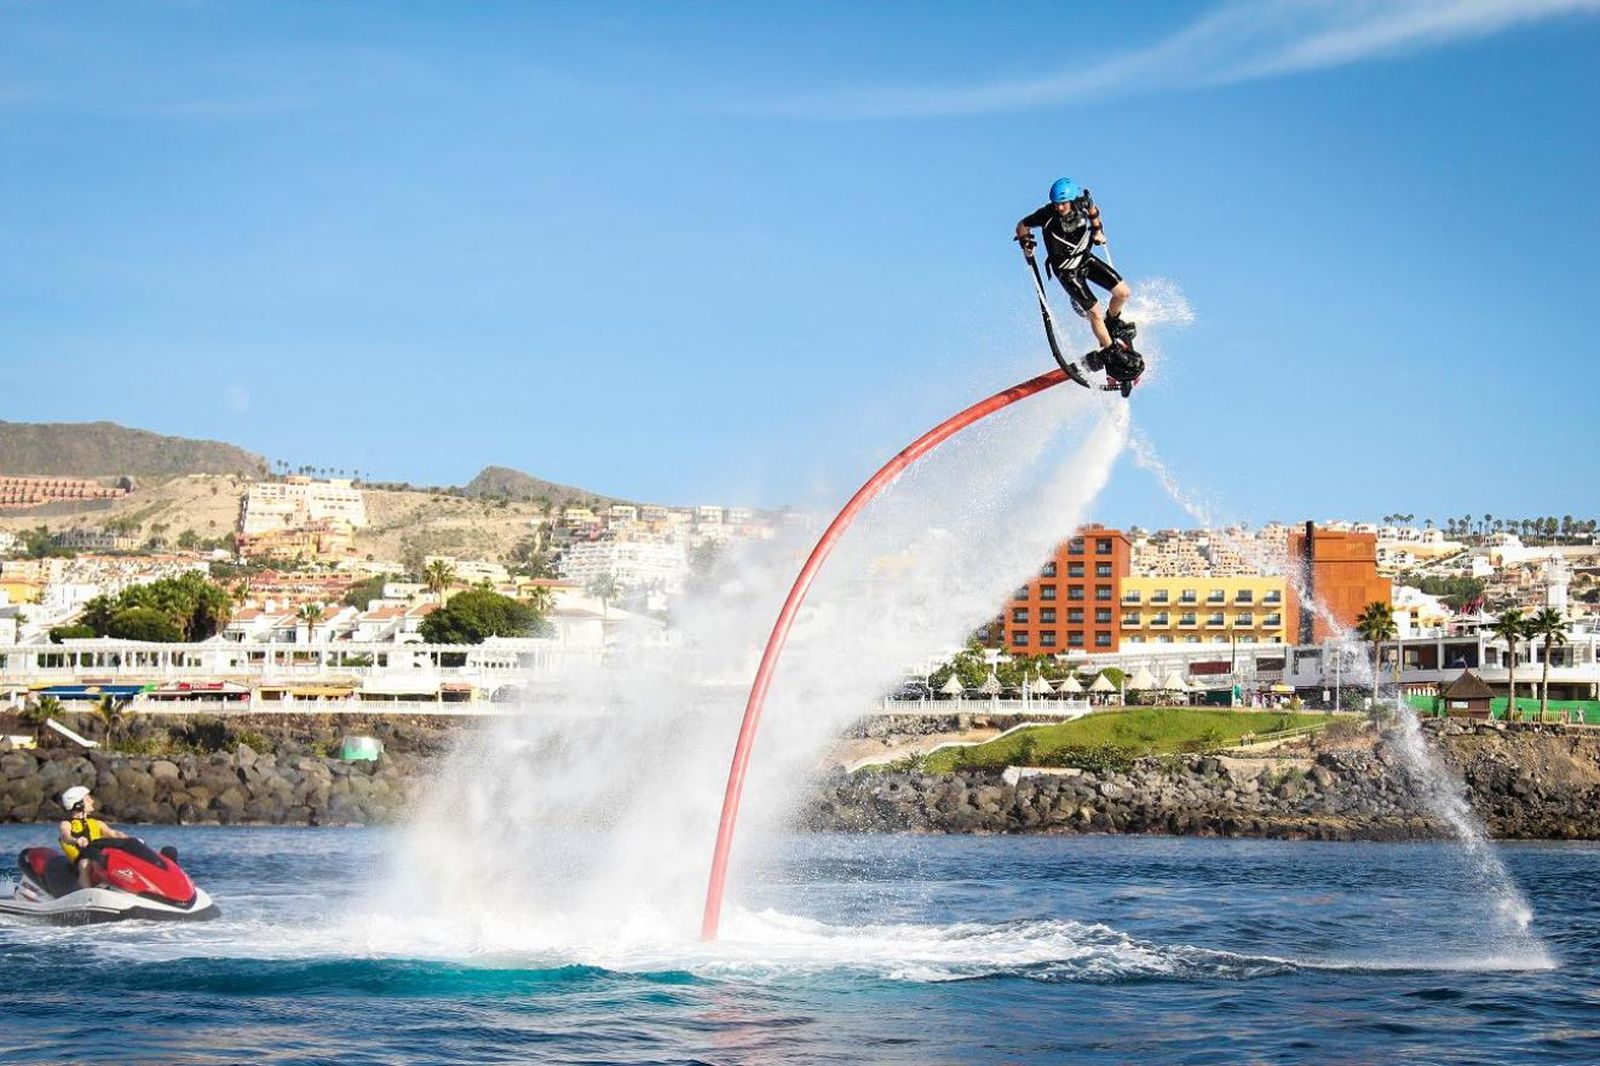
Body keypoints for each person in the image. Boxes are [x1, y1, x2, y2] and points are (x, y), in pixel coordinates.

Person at [1014, 177, 1135, 362]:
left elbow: (1093, 210)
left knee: (1123, 293)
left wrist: (1098, 230)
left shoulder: (1082, 204)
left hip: (1085, 260)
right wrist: (1026, 243)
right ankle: (1110, 351)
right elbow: (1022, 225)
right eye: (1056, 204)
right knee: (1095, 312)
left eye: (1063, 203)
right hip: (1067, 271)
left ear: (1071, 200)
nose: (1059, 208)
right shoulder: (1046, 215)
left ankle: (1113, 321)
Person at [57, 785, 129, 890]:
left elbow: (113, 833)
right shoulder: (67, 824)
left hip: (96, 857)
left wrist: (129, 839)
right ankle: (87, 892)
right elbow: (65, 835)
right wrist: (75, 840)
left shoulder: (97, 823)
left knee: (115, 859)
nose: (92, 801)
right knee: (85, 864)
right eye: (87, 799)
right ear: (78, 804)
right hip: (79, 862)